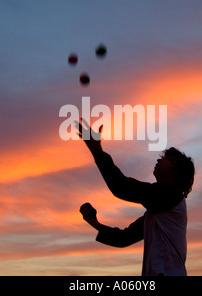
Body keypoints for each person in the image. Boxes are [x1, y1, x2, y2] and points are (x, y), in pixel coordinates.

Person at [76, 118, 195, 276]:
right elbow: (124, 238)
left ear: (177, 170)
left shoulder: (171, 194)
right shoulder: (157, 211)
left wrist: (97, 151)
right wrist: (95, 223)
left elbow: (122, 187)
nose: (160, 159)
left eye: (167, 158)